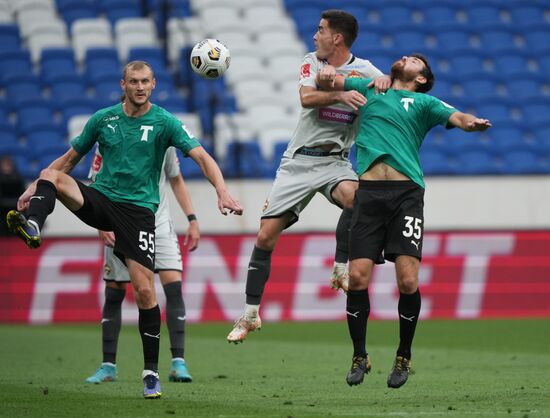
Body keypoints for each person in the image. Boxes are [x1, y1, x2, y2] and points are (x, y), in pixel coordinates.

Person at [6, 60, 243, 399]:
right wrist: (35, 186)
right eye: (133, 81)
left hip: (138, 214)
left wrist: (221, 190)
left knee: (144, 292)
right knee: (52, 174)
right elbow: (70, 159)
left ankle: (150, 372)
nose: (140, 87)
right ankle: (33, 224)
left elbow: (203, 157)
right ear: (123, 85)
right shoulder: (103, 120)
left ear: (154, 84)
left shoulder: (164, 122)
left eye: (145, 81)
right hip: (102, 200)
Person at [316, 54, 491, 388]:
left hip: (406, 195)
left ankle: (403, 355)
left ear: (421, 77)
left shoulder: (424, 102)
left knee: (408, 281)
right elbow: (328, 82)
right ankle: (359, 355)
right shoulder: (369, 87)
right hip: (367, 194)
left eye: (414, 60)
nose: (405, 58)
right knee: (357, 276)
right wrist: (327, 72)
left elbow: (457, 116)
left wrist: (472, 124)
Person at [227, 9, 391, 344]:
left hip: (335, 161)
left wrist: (387, 81)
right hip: (298, 163)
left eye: (321, 30)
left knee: (358, 197)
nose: (315, 35)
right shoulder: (311, 62)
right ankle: (250, 314)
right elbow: (306, 98)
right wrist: (340, 94)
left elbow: (389, 87)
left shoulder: (367, 71)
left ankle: (341, 265)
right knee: (265, 238)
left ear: (337, 38)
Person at [85, 146, 200, 384]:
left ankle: (178, 362)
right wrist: (100, 223)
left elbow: (176, 179)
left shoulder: (163, 135)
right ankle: (108, 366)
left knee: (174, 286)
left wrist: (192, 218)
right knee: (115, 290)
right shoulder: (108, 135)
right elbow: (95, 182)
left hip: (158, 222)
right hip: (118, 221)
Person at [0, 155, 25, 236]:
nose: (7, 168)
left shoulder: (19, 179)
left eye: (8, 165)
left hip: (16, 210)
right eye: (5, 165)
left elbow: (22, 196)